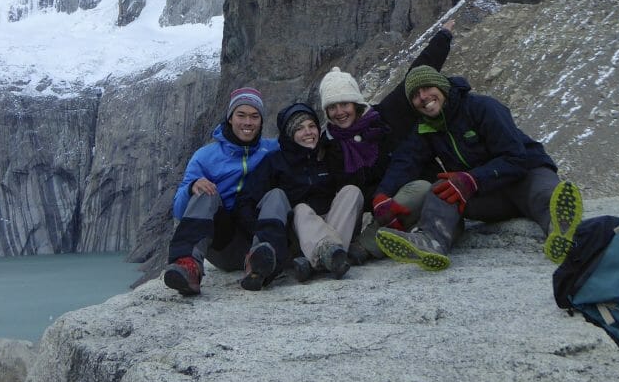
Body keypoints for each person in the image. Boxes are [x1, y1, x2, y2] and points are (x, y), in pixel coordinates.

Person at [373, 65, 583, 271]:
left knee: (544, 194)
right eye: (416, 95)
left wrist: (473, 179)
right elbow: (405, 161)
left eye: (427, 88)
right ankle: (431, 241)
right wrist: (382, 195)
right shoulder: (426, 128)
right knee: (441, 188)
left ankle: (561, 231)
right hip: (486, 194)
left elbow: (516, 158)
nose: (423, 97)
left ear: (441, 87)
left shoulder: (482, 107)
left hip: (525, 175)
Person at [316, 21, 455, 259]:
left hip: (398, 193)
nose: (340, 112)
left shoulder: (384, 117)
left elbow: (414, 76)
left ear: (356, 104)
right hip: (368, 203)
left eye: (345, 104)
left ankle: (365, 245)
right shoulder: (328, 145)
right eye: (332, 107)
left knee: (421, 188)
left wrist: (442, 38)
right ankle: (347, 248)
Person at [163, 87, 279, 296]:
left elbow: (303, 150)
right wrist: (191, 188)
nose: (247, 123)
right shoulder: (205, 157)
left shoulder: (272, 149)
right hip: (221, 243)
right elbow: (179, 210)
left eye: (254, 116)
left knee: (276, 195)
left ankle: (259, 265)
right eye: (241, 115)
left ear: (261, 121)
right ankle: (189, 266)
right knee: (207, 191)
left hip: (258, 240)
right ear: (230, 118)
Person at [234, 103, 363, 289]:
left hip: (330, 222)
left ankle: (318, 260)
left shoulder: (327, 155)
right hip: (297, 231)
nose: (308, 132)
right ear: (289, 134)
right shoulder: (275, 162)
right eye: (300, 129)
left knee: (352, 191)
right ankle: (328, 254)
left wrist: (335, 150)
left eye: (312, 126)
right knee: (301, 209)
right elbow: (246, 200)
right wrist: (257, 230)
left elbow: (351, 181)